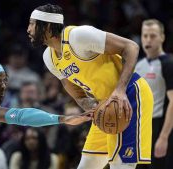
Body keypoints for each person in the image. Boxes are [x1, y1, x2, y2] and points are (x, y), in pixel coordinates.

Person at [27, 4, 153, 169]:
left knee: (120, 165)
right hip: (104, 106)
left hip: (130, 94)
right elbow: (74, 90)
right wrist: (90, 106)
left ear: (48, 26)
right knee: (88, 164)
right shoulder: (49, 58)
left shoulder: (79, 36)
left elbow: (131, 47)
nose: (28, 29)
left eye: (32, 23)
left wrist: (120, 90)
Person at [135, 19, 173, 169]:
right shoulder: (138, 65)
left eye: (153, 36)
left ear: (162, 37)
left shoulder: (169, 64)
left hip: (162, 127)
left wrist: (164, 137)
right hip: (141, 129)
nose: (148, 40)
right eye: (145, 36)